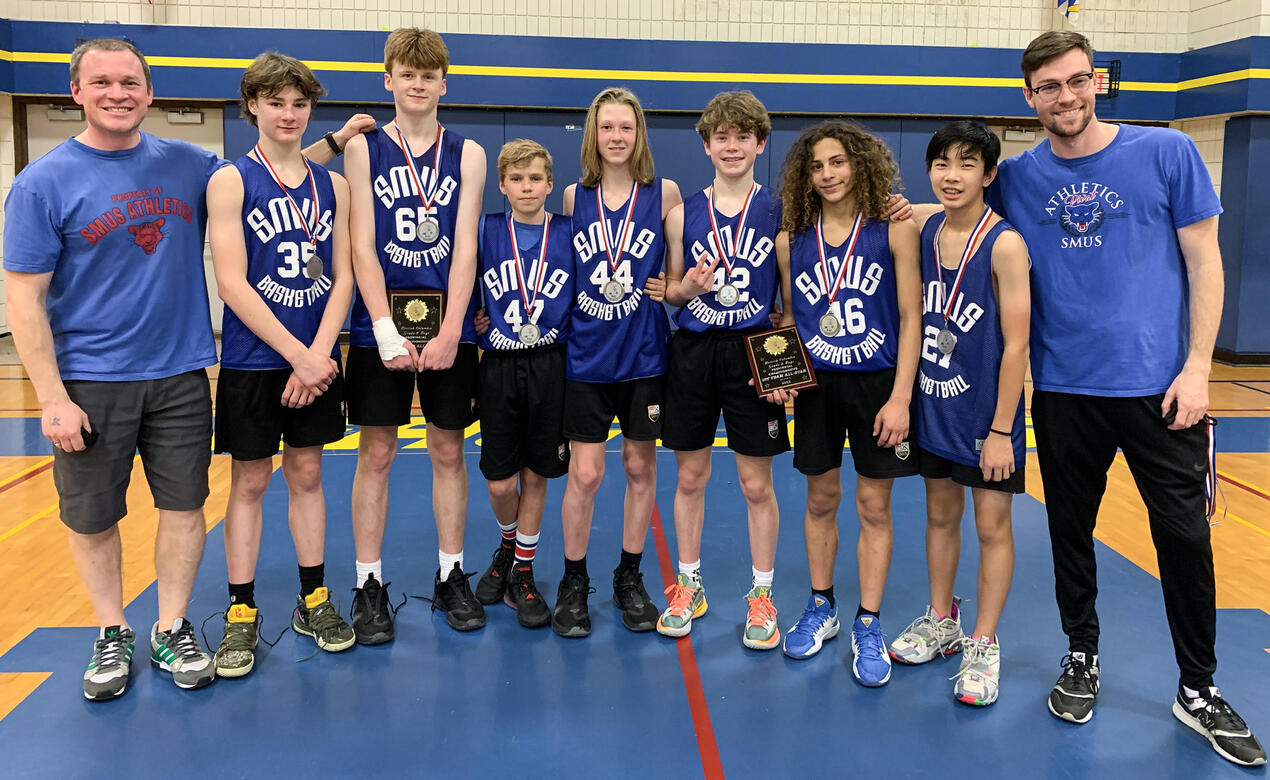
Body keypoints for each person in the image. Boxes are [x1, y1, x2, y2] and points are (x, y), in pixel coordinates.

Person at [985, 30, 1263, 766]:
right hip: (1065, 390)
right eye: (1049, 87)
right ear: (1030, 98)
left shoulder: (1164, 152)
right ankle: (1082, 655)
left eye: (1077, 81)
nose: (1066, 97)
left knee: (1184, 541)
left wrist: (1199, 367)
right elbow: (955, 217)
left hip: (1160, 391)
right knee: (1071, 535)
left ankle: (1197, 687)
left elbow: (1206, 263)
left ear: (1097, 82)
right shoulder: (1017, 177)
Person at [3, 38, 223, 699]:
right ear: (76, 93)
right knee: (93, 518)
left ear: (150, 92)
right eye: (101, 82)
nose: (117, 93)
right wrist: (52, 398)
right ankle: (111, 630)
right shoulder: (41, 183)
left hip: (182, 371)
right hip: (90, 381)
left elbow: (268, 177)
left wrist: (341, 141)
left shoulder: (189, 164)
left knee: (184, 507)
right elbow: (23, 299)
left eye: (130, 81)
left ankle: (172, 625)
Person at [206, 53, 356, 678]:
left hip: (316, 355)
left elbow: (344, 275)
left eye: (298, 104)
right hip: (255, 358)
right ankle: (241, 612)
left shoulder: (335, 186)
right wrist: (299, 355)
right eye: (275, 103)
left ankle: (313, 598)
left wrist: (319, 355)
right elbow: (233, 283)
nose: (288, 114)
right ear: (252, 108)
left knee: (307, 473)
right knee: (248, 480)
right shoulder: (232, 180)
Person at [342, 27, 487, 639]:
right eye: (408, 73)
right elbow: (361, 247)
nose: (418, 83)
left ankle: (451, 573)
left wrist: (454, 327)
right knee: (375, 453)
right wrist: (381, 327)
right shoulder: (365, 148)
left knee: (449, 451)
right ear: (389, 81)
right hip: (382, 324)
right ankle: (368, 583)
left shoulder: (469, 153)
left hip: (447, 325)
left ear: (443, 84)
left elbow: (464, 247)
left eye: (429, 75)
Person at [772, 119, 921, 687]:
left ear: (859, 163)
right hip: (818, 388)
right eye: (816, 166)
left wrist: (902, 396)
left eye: (837, 162)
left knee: (874, 507)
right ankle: (822, 605)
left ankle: (868, 620)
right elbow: (788, 317)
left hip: (879, 384)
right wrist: (781, 371)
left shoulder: (893, 229)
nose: (828, 174)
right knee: (820, 498)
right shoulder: (793, 238)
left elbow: (912, 317)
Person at [886, 121, 1030, 707]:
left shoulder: (1006, 244)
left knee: (991, 527)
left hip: (984, 419)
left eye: (967, 164)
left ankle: (984, 641)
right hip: (933, 404)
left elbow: (1017, 345)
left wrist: (1001, 431)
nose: (952, 174)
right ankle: (941, 619)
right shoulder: (924, 231)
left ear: (989, 175)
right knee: (939, 518)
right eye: (942, 162)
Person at [656, 91, 787, 650]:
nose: (731, 146)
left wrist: (785, 370)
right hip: (694, 351)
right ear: (706, 145)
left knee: (756, 482)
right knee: (690, 477)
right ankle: (689, 584)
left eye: (743, 136)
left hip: (755, 351)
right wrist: (685, 289)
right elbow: (672, 292)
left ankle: (762, 594)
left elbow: (789, 301)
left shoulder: (781, 210)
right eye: (721, 137)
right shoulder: (681, 212)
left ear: (760, 142)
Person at [553, 87, 681, 638]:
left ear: (639, 134)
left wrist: (672, 286)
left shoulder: (666, 193)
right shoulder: (570, 197)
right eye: (607, 127)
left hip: (644, 353)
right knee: (584, 473)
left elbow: (676, 279)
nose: (616, 137)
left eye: (625, 127)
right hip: (586, 355)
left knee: (638, 467)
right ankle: (574, 580)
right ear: (593, 134)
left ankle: (629, 576)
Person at [469, 140, 574, 628]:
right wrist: (470, 321)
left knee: (537, 474)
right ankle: (509, 544)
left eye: (536, 178)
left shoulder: (570, 233)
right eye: (517, 179)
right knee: (498, 479)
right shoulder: (486, 228)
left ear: (550, 184)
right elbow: (464, 286)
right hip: (499, 364)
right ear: (502, 185)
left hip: (552, 364)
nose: (527, 187)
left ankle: (523, 570)